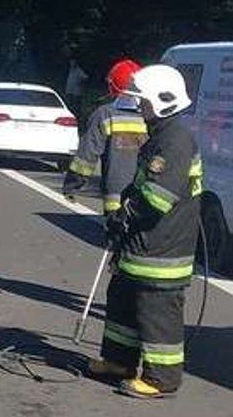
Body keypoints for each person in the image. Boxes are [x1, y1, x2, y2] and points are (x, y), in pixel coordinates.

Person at [90, 64, 202, 399]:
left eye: (144, 101)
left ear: (162, 101)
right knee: (122, 299)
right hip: (141, 243)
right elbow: (141, 184)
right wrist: (121, 213)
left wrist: (124, 216)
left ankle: (161, 379)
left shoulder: (176, 141)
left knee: (157, 313)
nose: (139, 106)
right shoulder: (159, 136)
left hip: (162, 248)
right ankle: (119, 362)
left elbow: (158, 197)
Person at [63, 59, 147, 213]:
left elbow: (87, 154)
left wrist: (72, 185)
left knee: (116, 226)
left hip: (116, 195)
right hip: (150, 196)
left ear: (112, 86)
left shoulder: (105, 115)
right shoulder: (157, 118)